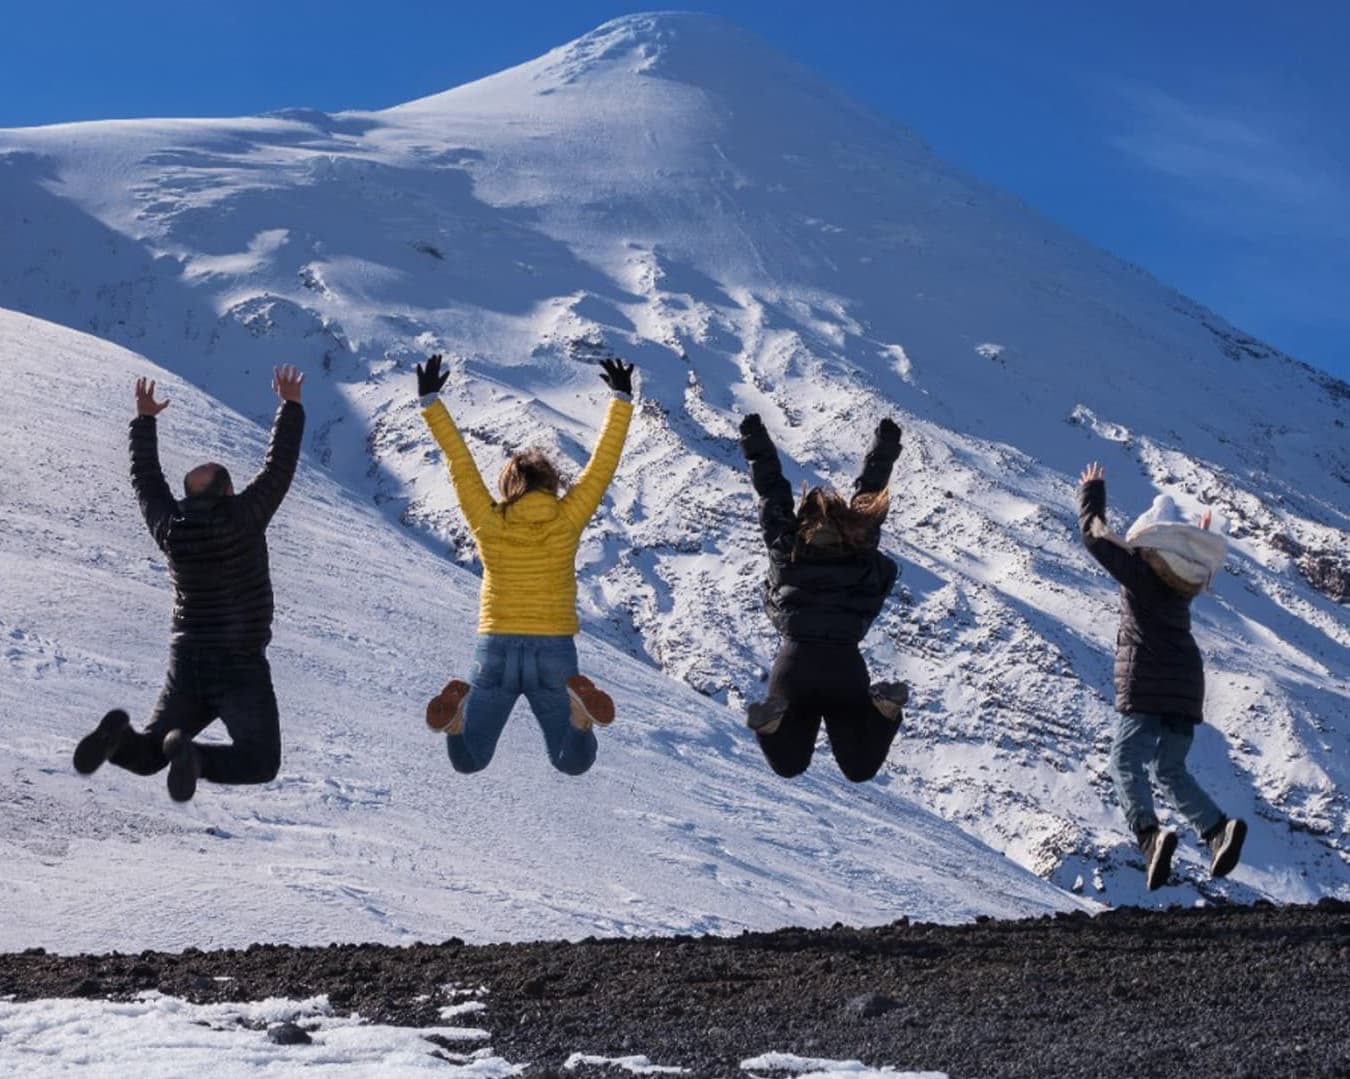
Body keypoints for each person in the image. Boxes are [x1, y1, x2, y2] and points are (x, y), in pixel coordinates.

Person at [73, 367, 306, 802]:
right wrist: (290, 406)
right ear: (229, 490)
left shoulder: (171, 527)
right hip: (239, 663)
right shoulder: (245, 516)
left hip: (188, 662)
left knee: (145, 756)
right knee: (260, 761)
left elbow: (146, 482)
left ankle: (116, 739)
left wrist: (144, 421)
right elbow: (279, 467)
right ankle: (194, 758)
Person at [416, 353, 634, 775]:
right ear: (552, 484)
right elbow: (601, 469)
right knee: (572, 762)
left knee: (470, 759)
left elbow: (460, 466)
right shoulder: (567, 518)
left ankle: (457, 721)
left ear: (508, 487)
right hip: (553, 648)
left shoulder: (489, 521)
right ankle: (578, 716)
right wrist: (621, 400)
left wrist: (431, 404)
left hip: (495, 645)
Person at [1078, 461, 1246, 890]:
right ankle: (1215, 831)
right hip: (1187, 685)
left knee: (1124, 760)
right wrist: (1201, 536)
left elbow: (1093, 537)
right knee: (1168, 768)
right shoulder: (1181, 584)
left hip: (1149, 680)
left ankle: (1150, 836)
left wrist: (1092, 491)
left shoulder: (1142, 576)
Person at [738, 413, 908, 782]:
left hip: (794, 664)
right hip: (845, 666)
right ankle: (883, 710)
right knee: (859, 766)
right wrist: (885, 448)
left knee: (789, 763)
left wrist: (755, 444)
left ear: (802, 519)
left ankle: (772, 724)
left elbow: (772, 491)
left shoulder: (787, 547)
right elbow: (870, 492)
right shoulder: (860, 543)